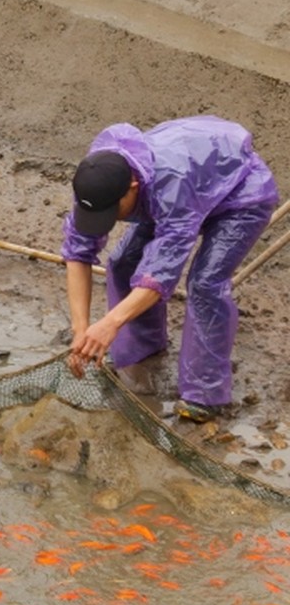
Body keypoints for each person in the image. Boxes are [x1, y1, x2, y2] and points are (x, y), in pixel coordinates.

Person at [61, 115, 279, 423]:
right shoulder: (96, 179)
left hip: (238, 194)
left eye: (114, 212)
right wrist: (81, 329)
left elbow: (160, 274)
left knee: (205, 283)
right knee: (123, 262)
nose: (109, 220)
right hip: (174, 192)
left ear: (132, 187)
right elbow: (78, 254)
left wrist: (110, 323)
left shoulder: (171, 185)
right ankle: (143, 349)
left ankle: (205, 394)